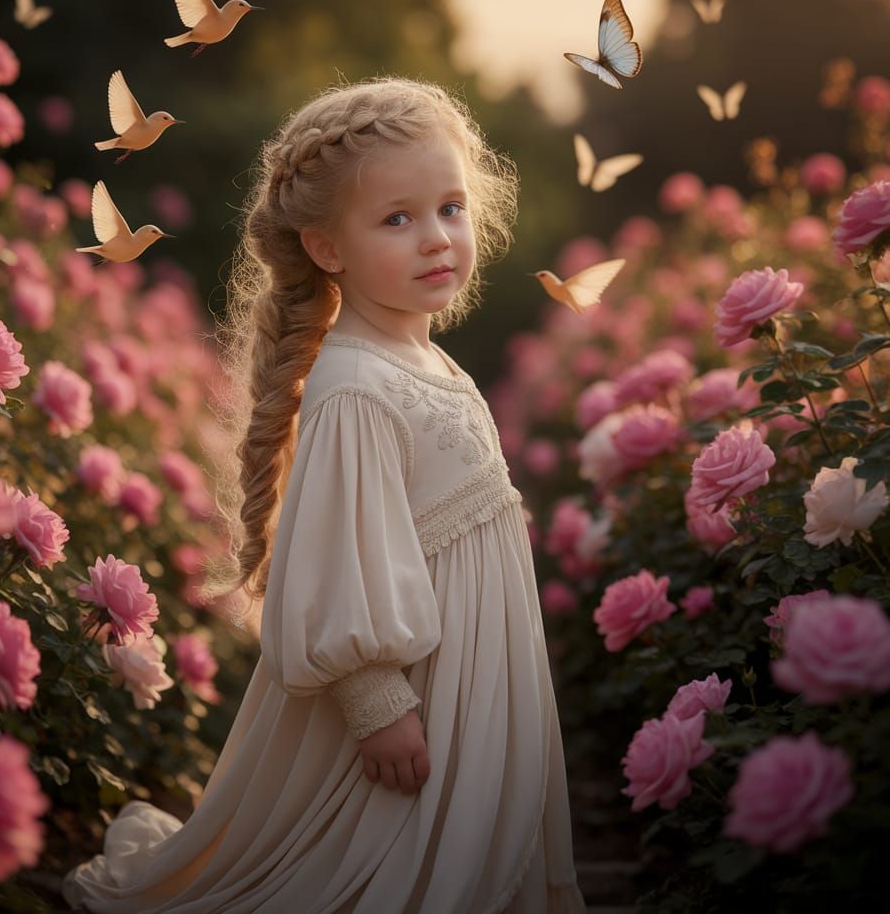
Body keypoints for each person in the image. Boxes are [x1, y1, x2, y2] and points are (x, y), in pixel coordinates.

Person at [62, 75, 587, 913]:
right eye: (397, 218)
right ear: (327, 248)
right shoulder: (353, 386)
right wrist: (378, 703)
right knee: (387, 858)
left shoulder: (421, 359)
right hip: (412, 700)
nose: (436, 239)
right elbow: (341, 553)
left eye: (451, 207)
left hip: (469, 677)